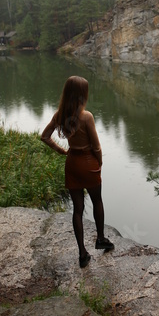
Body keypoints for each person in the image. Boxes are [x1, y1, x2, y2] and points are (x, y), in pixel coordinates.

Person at [41, 75, 114, 268]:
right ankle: (100, 239)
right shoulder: (86, 116)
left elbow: (45, 137)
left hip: (72, 162)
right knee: (97, 200)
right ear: (82, 94)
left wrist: (62, 151)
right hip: (88, 161)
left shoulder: (59, 115)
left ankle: (82, 253)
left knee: (77, 209)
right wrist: (99, 163)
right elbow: (96, 146)